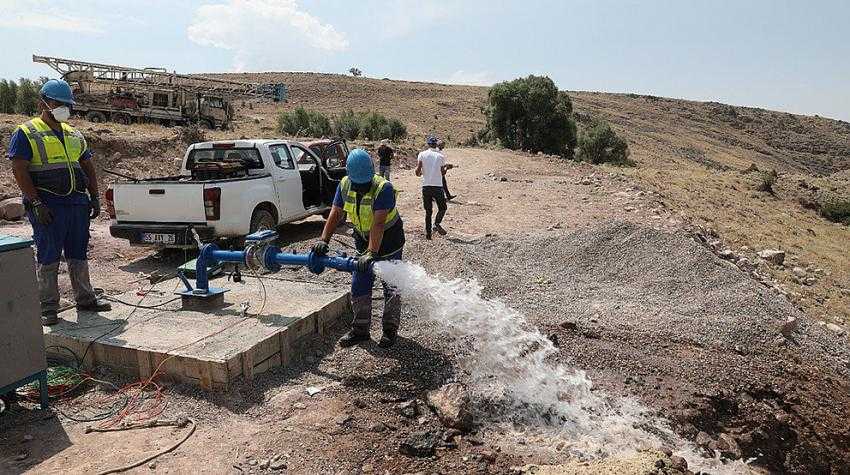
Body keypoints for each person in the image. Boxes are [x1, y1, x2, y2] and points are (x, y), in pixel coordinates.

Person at [7, 79, 111, 325]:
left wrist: (94, 196)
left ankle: (85, 299)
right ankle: (48, 308)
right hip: (48, 207)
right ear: (43, 102)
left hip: (76, 205)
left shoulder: (73, 133)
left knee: (78, 253)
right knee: (48, 255)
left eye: (66, 104)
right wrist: (35, 203)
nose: (63, 108)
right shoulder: (26, 132)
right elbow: (19, 169)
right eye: (58, 103)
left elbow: (87, 166)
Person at [312, 149, 405, 348]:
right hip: (363, 240)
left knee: (391, 285)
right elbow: (336, 214)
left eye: (364, 184)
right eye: (357, 184)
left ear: (371, 174)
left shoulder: (383, 188)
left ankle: (389, 330)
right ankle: (360, 330)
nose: (361, 188)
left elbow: (379, 223)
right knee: (360, 283)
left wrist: (372, 252)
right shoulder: (345, 184)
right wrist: (324, 240)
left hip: (389, 240)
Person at [416, 136, 448, 239]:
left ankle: (428, 235)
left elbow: (418, 172)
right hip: (437, 186)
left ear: (428, 144)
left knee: (428, 212)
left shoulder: (422, 154)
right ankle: (437, 224)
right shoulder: (440, 156)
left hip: (426, 186)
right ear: (436, 145)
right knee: (443, 207)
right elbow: (442, 173)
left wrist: (420, 170)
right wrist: (447, 168)